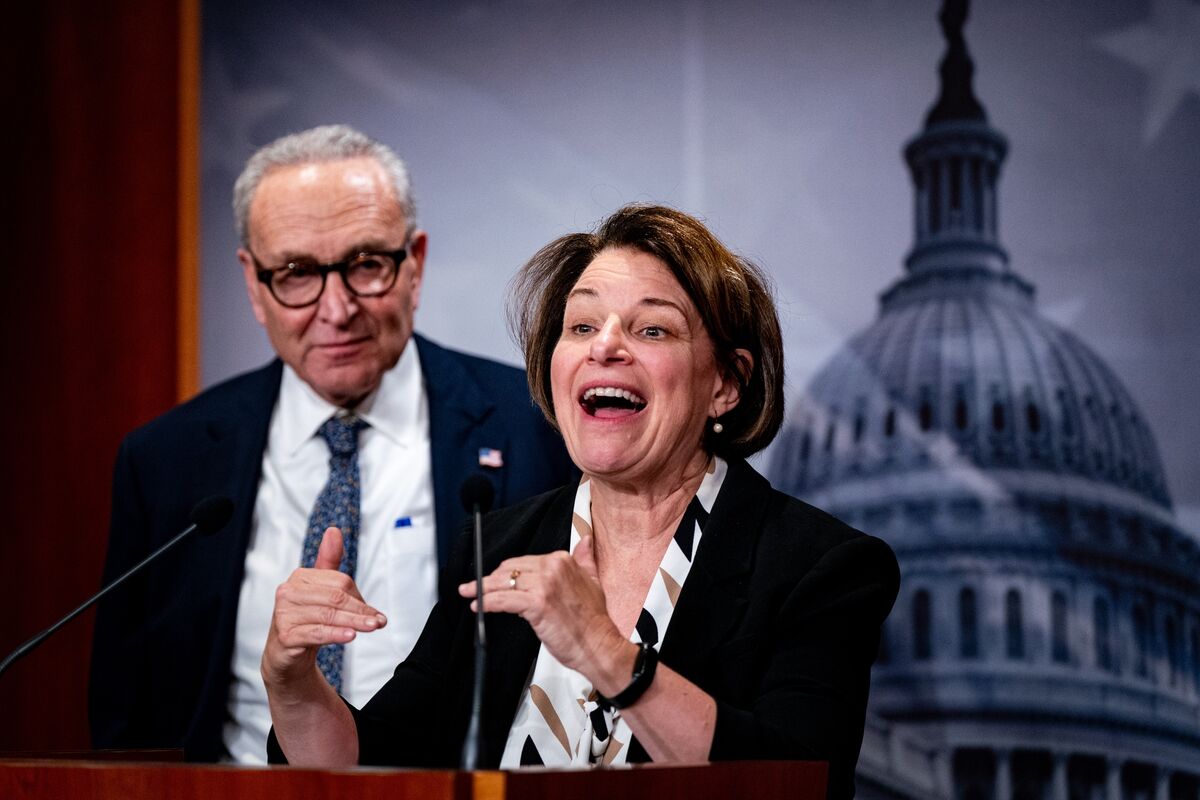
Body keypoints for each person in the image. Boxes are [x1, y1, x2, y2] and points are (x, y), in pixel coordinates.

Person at [262, 204, 899, 798]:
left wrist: (603, 649)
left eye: (652, 328)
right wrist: (293, 685)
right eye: (582, 325)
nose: (604, 346)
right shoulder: (499, 547)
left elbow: (794, 783)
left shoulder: (821, 567)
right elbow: (376, 764)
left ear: (726, 385)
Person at [89, 125, 575, 763]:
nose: (337, 307)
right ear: (254, 285)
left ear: (415, 264)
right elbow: (129, 722)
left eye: (366, 264)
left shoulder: (539, 424)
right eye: (295, 274)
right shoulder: (168, 461)